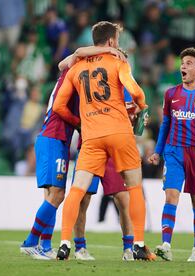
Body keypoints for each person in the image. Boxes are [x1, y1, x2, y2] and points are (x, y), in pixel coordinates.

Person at [53, 21, 152, 261]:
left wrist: (79, 122)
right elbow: (135, 91)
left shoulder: (76, 67)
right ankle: (137, 245)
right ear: (110, 41)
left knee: (77, 190)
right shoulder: (118, 61)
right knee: (133, 189)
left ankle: (65, 244)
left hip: (91, 136)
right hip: (119, 133)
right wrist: (142, 107)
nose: (119, 45)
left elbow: (58, 106)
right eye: (117, 40)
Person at [19, 45, 127, 261]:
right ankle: (30, 242)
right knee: (57, 195)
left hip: (58, 139)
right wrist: (80, 123)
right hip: (53, 137)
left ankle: (45, 245)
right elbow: (74, 58)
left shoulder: (76, 76)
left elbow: (65, 62)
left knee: (53, 195)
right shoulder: (75, 72)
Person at [148, 47, 195, 262]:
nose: (183, 66)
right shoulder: (171, 93)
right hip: (174, 151)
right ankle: (166, 245)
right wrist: (157, 152)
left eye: (188, 63)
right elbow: (165, 125)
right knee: (171, 195)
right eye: (183, 63)